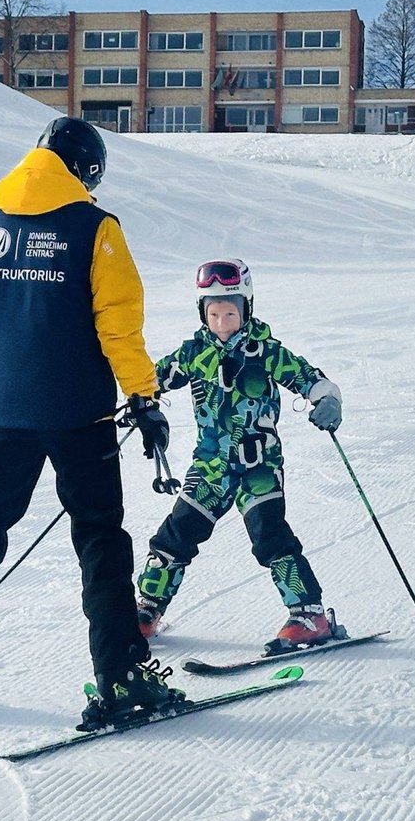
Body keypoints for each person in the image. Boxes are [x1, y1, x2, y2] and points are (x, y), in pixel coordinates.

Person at [0, 117, 184, 732]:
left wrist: (17, 384)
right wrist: (143, 395)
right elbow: (118, 324)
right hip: (80, 414)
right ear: (86, 172)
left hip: (0, 412)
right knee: (100, 537)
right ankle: (121, 676)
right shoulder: (97, 230)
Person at [134, 258, 343, 651]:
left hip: (259, 467)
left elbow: (309, 378)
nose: (222, 321)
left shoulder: (265, 352)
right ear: (203, 313)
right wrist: (140, 402)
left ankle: (309, 615)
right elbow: (148, 378)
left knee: (271, 537)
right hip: (211, 467)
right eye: (213, 313)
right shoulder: (194, 354)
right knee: (175, 536)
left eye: (230, 312)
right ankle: (147, 609)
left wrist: (327, 400)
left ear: (246, 309)